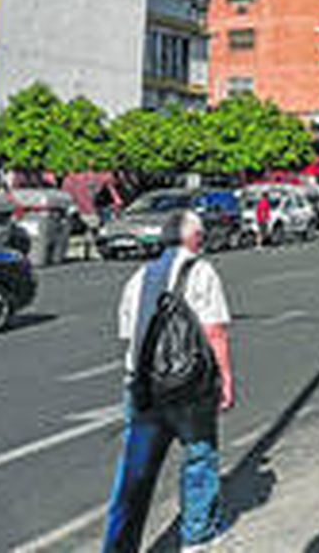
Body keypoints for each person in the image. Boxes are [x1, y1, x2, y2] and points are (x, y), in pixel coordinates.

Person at [103, 209, 234, 552]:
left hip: (143, 387)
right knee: (199, 458)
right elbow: (214, 332)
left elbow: (127, 335)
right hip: (189, 388)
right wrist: (225, 379)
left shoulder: (139, 277)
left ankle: (118, 546)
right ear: (194, 238)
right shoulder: (202, 271)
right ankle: (196, 535)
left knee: (134, 474)